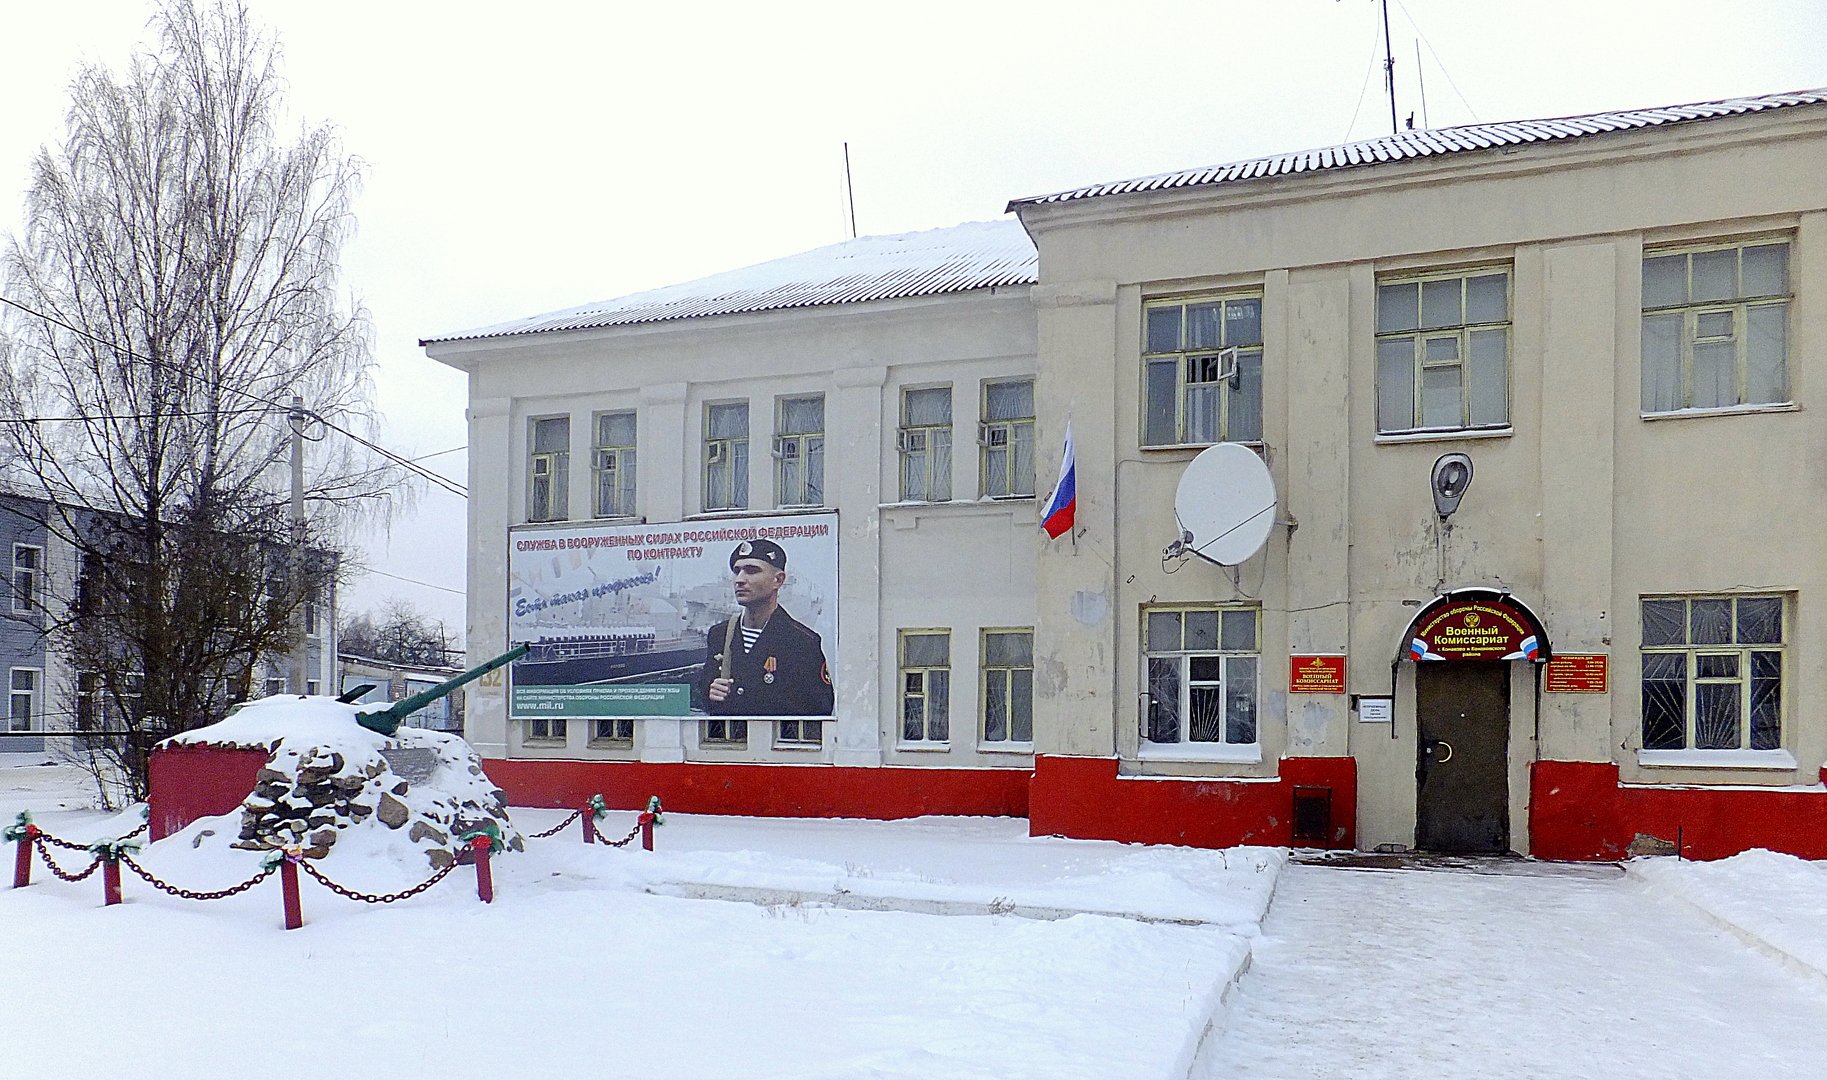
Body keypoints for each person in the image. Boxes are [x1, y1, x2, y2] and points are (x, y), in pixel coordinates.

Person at [695, 538, 833, 716]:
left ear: (778, 580)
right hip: (727, 741)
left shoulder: (802, 642)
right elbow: (706, 693)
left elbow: (819, 709)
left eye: (752, 571)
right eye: (737, 571)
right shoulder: (720, 635)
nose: (740, 579)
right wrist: (710, 691)